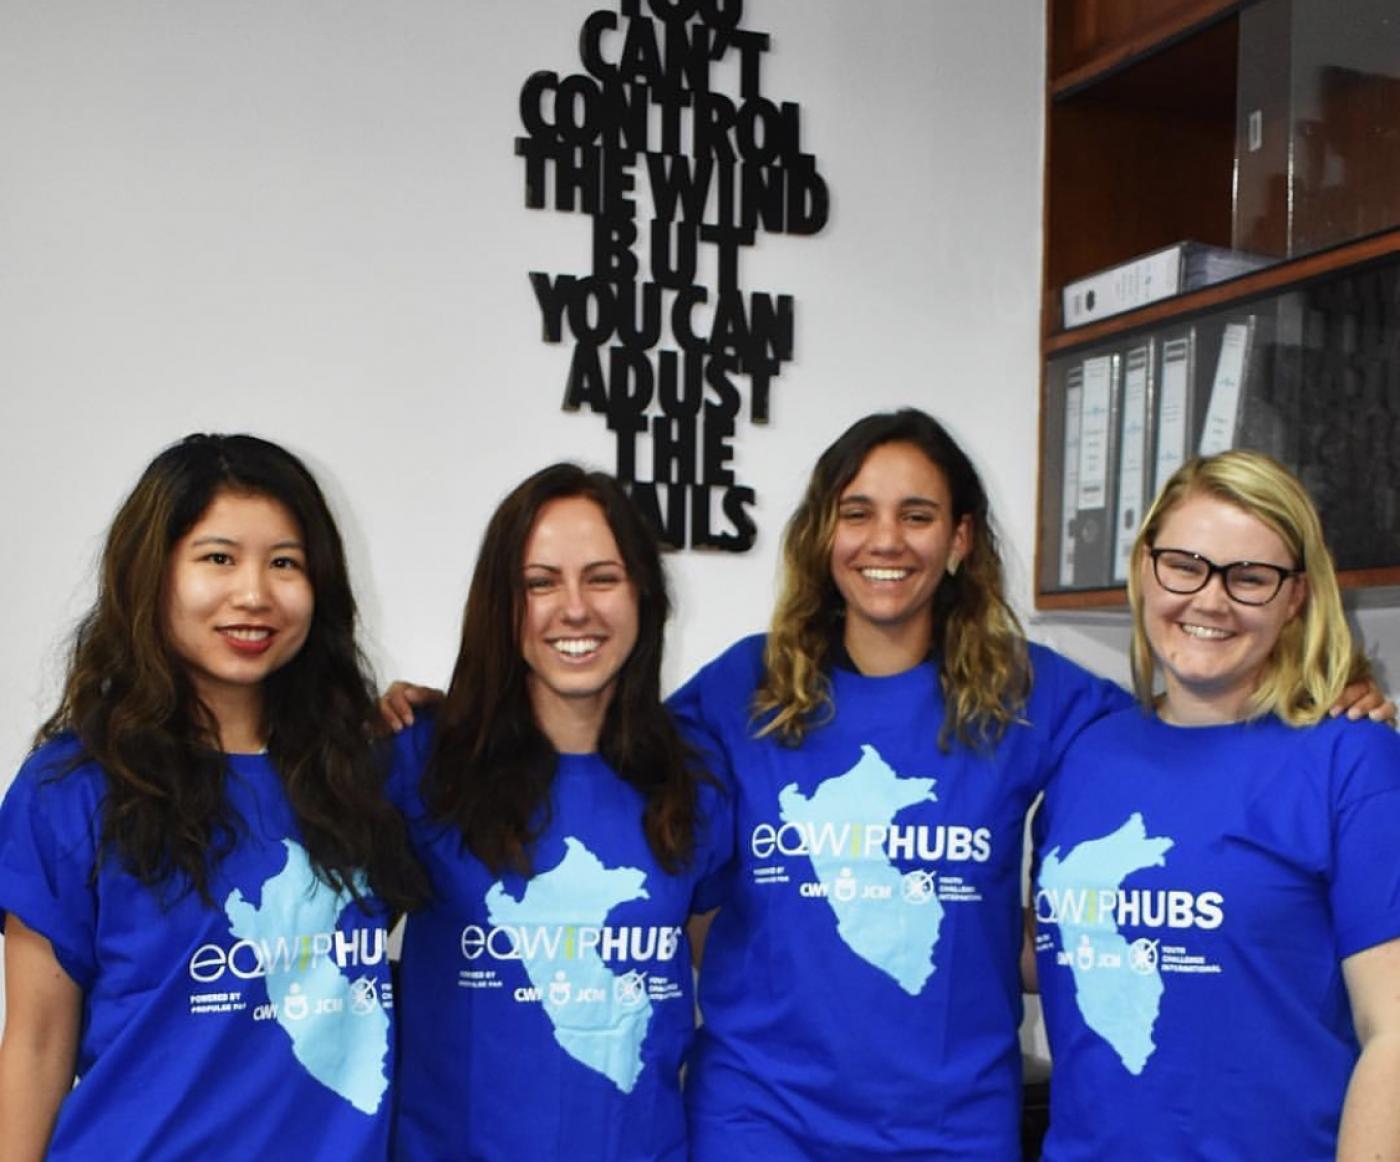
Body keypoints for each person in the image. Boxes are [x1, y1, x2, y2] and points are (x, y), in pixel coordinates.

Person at [0, 433, 427, 1161]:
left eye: (285, 563)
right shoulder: (71, 788)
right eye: (218, 558)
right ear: (154, 574)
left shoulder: (373, 770)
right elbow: (37, 1042)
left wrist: (455, 713)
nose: (255, 594)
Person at [1031, 450, 1400, 1160]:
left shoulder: (1355, 761)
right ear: (1145, 568)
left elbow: (1393, 1031)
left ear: (1296, 598)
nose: (1209, 600)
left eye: (1250, 578)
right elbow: (1058, 947)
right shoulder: (1085, 755)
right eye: (1185, 564)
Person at [388, 463, 730, 1162]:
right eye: (540, 583)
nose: (574, 609)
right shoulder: (420, 763)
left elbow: (740, 983)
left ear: (643, 594)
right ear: (502, 606)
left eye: (602, 578)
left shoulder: (696, 776)